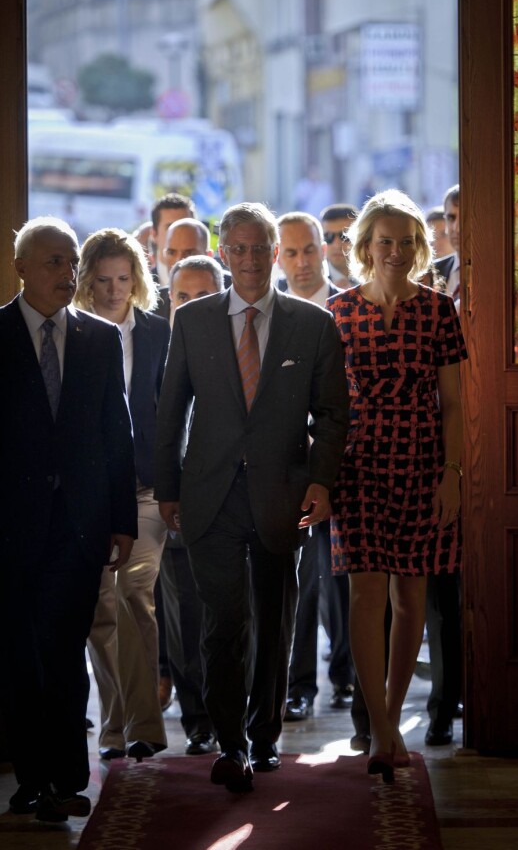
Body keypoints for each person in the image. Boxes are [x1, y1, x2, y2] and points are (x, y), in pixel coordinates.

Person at [155, 201, 349, 793]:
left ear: (274, 253)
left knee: (275, 620)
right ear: (223, 254)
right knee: (223, 622)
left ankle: (264, 737)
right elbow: (170, 412)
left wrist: (320, 481)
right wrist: (169, 490)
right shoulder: (192, 321)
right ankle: (230, 743)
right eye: (237, 249)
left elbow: (333, 415)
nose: (249, 259)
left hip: (281, 496)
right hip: (209, 495)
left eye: (259, 248)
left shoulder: (312, 324)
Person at [327, 189, 467, 783]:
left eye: (407, 242)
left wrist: (453, 475)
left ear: (419, 247)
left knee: (411, 596)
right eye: (385, 241)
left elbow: (454, 404)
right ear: (365, 246)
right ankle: (382, 730)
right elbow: (325, 405)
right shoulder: (336, 312)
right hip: (356, 464)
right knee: (365, 594)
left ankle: (389, 714)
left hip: (422, 462)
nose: (396, 251)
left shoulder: (439, 310)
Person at [0, 217, 137, 821]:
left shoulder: (98, 338)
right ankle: (30, 779)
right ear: (21, 268)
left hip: (80, 527)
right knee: (19, 657)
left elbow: (116, 435)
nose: (67, 272)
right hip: (10, 528)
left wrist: (122, 520)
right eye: (54, 261)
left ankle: (65, 778)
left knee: (64, 653)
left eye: (71, 261)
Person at [75, 228, 171, 764]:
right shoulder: (75, 331)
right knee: (101, 608)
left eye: (123, 278)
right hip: (92, 491)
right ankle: (113, 726)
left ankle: (145, 726)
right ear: (87, 282)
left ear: (136, 279)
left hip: (147, 487)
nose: (114, 290)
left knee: (136, 594)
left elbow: (173, 409)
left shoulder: (157, 331)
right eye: (104, 280)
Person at [276, 211, 353, 720]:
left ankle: (347, 675)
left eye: (309, 249)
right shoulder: (272, 312)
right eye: (291, 252)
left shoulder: (347, 308)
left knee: (343, 577)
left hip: (344, 461)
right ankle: (299, 685)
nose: (302, 261)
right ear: (279, 258)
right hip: (289, 466)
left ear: (323, 251)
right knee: (300, 581)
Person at [157, 255, 225, 756]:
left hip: (234, 498)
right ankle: (198, 718)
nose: (193, 306)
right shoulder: (153, 349)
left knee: (235, 615)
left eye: (205, 296)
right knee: (184, 617)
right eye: (183, 297)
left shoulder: (244, 346)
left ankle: (236, 714)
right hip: (179, 499)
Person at [424, 182, 464, 747]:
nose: (455, 224)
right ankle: (438, 706)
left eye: (461, 214)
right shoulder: (435, 278)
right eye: (450, 215)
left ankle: (453, 697)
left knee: (449, 589)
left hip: (485, 438)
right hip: (426, 441)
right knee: (432, 590)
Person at [150, 192, 195, 286]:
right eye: (170, 227)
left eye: (185, 226)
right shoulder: (138, 285)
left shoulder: (222, 283)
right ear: (154, 234)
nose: (179, 233)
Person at [320, 204, 359, 289]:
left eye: (345, 236)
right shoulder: (312, 279)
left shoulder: (376, 275)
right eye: (328, 237)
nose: (336, 245)